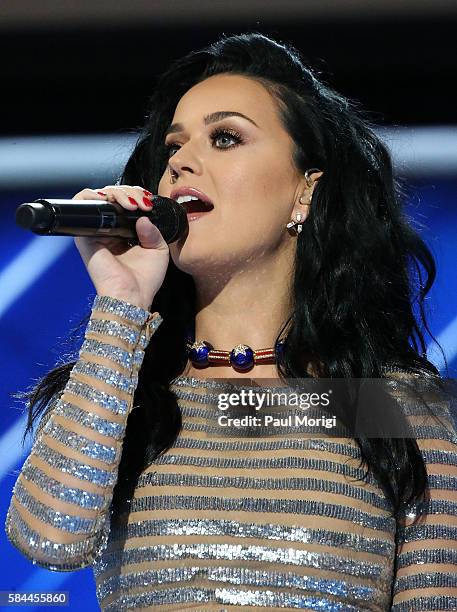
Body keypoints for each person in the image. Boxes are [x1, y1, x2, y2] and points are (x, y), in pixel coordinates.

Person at [5, 32, 457, 611]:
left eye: (225, 137)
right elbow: (50, 539)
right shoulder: (131, 398)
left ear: (306, 192)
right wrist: (122, 303)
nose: (180, 162)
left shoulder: (393, 406)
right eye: (173, 146)